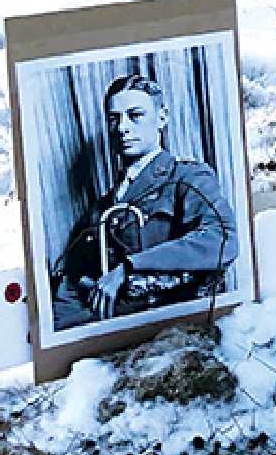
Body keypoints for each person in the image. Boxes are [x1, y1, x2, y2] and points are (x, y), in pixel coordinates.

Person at [50, 71, 239, 328]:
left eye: (135, 115)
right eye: (114, 119)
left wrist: (129, 267)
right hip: (104, 319)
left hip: (162, 322)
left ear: (162, 118)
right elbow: (77, 268)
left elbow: (222, 239)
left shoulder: (186, 177)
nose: (123, 128)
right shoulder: (106, 204)